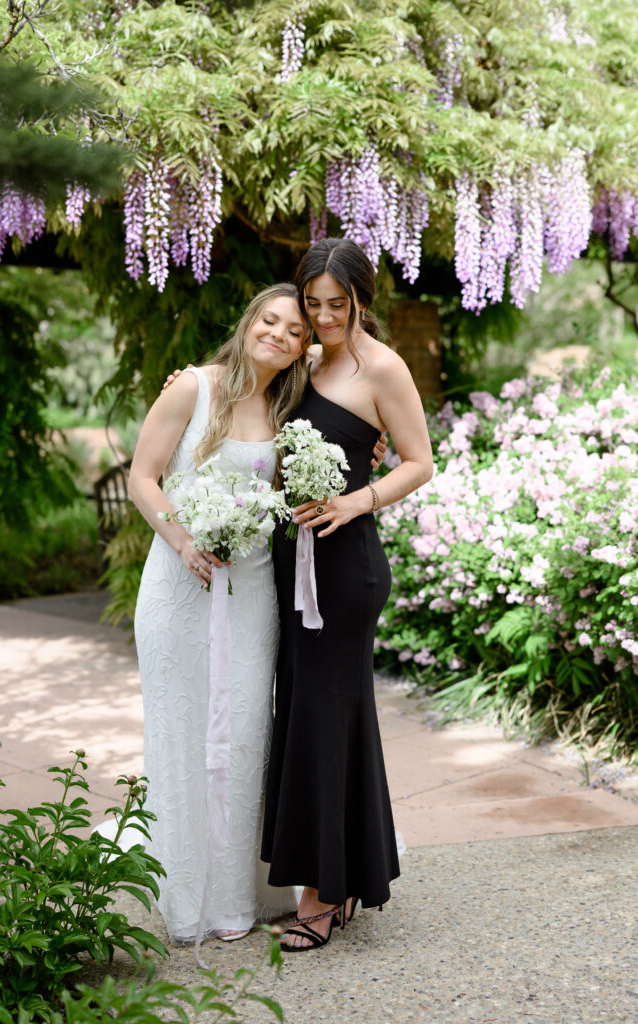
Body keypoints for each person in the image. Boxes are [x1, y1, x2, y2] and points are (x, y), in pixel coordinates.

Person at [260, 237, 434, 951]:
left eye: (338, 304)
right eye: (313, 305)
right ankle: (344, 871)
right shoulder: (303, 360)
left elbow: (419, 462)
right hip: (289, 563)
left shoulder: (381, 366)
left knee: (325, 722)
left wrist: (357, 502)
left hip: (345, 568)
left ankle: (322, 893)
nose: (326, 317)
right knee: (307, 713)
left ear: (362, 297)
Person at [128, 283, 310, 949]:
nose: (279, 336)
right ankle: (184, 902)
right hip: (178, 586)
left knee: (242, 735)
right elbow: (143, 476)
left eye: (294, 332)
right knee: (180, 735)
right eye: (270, 320)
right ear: (248, 321)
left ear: (301, 348)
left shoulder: (291, 407)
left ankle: (237, 898)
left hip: (251, 590)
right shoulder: (192, 389)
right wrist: (182, 541)